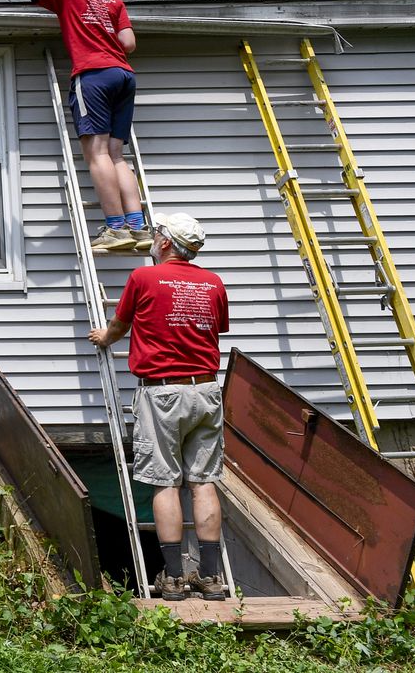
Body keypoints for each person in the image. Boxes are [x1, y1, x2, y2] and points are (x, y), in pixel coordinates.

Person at [0, 0, 147, 253]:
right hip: (124, 75)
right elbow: (129, 44)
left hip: (94, 74)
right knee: (116, 155)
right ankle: (138, 227)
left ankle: (115, 227)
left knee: (96, 153)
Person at [88, 212, 230, 601]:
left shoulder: (143, 278)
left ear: (166, 242)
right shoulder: (213, 282)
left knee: (166, 482)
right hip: (206, 391)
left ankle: (173, 577)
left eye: (155, 233)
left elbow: (119, 326)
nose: (151, 237)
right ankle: (212, 579)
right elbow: (214, 328)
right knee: (203, 483)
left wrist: (104, 337)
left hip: (163, 393)